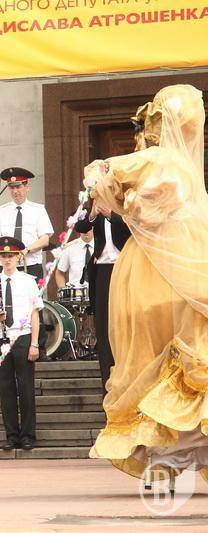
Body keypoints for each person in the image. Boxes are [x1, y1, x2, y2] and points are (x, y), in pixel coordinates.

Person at [87, 84, 208, 480]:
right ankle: (177, 452)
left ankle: (161, 460)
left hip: (149, 270)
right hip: (189, 263)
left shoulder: (157, 160)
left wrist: (107, 189)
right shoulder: (189, 172)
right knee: (189, 351)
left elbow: (110, 180)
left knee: (146, 355)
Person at [0, 237, 42, 451]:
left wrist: (35, 344)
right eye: (3, 256)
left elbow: (35, 314)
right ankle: (11, 435)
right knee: (5, 388)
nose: (7, 259)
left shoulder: (28, 281)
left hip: (22, 337)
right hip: (0, 338)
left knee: (26, 388)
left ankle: (28, 435)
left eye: (10, 256)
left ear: (18, 258)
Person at [73, 201, 130, 393]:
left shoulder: (125, 200)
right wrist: (92, 215)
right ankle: (108, 387)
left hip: (125, 266)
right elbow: (80, 226)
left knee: (125, 322)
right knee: (103, 325)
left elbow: (136, 225)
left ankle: (128, 382)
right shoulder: (93, 202)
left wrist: (111, 215)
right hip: (102, 268)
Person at [0, 168, 54, 281]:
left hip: (31, 265)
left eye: (18, 187)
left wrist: (25, 250)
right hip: (6, 265)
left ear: (27, 187)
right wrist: (8, 253)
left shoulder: (38, 210)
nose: (15, 191)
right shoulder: (1, 211)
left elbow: (44, 240)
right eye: (11, 187)